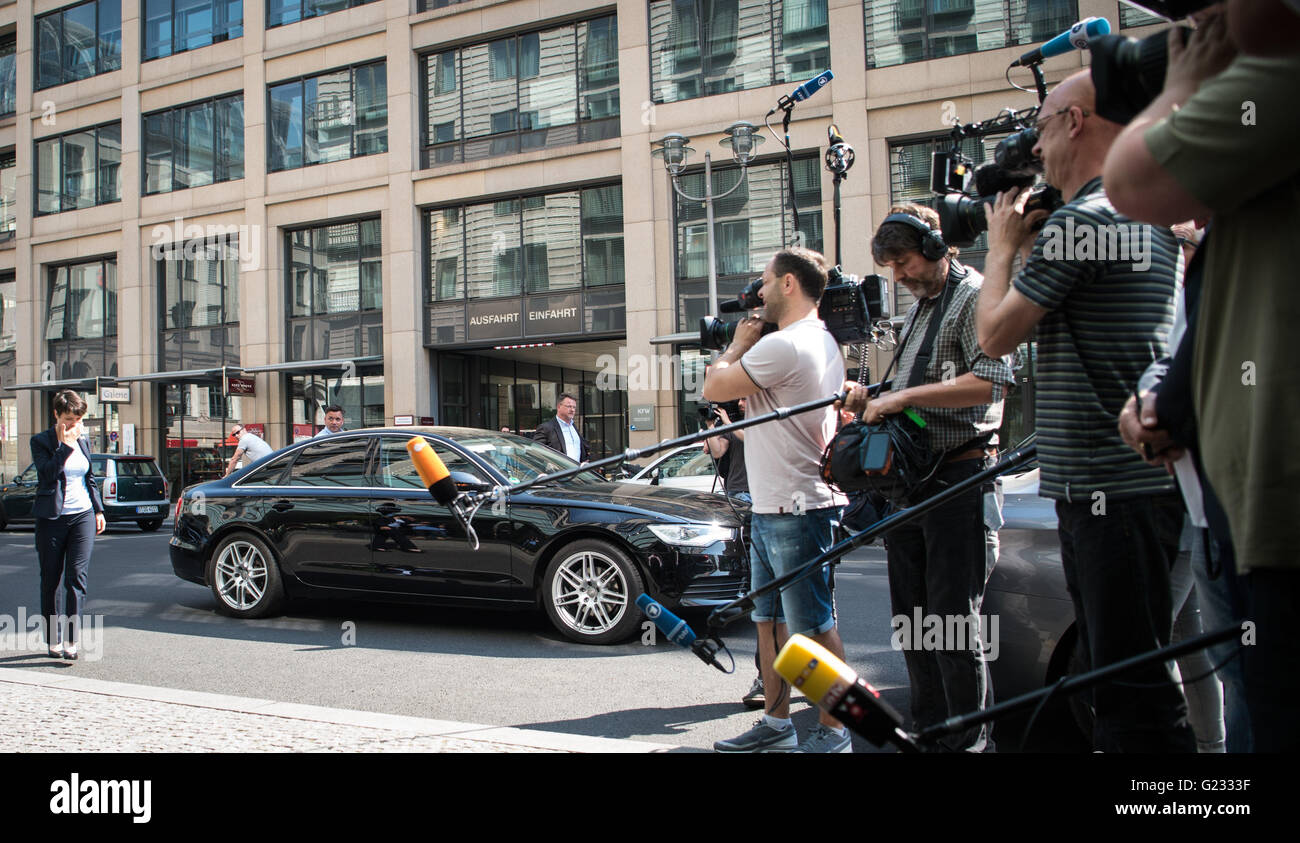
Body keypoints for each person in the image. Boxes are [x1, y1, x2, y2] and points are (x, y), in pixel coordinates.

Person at [1101, 1, 1300, 752]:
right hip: (1226, 511)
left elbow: (1136, 180)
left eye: (1220, 8)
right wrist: (1165, 401)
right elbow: (1218, 323)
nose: (1202, 25)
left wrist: (1183, 82)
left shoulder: (1281, 85)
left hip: (1273, 517)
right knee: (1243, 703)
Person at [976, 68, 1194, 752]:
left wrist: (1003, 247)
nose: (1035, 149)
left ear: (1075, 120)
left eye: (1040, 127)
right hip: (1138, 491)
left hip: (1109, 492)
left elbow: (993, 338)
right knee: (1145, 672)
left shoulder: (1086, 221)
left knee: (1128, 693)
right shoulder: (1140, 214)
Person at [841, 204, 1015, 752]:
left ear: (937, 247)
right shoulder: (923, 305)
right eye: (890, 267)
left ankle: (965, 742)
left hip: (960, 479)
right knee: (912, 618)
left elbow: (992, 382)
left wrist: (905, 396)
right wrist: (875, 395)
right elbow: (909, 386)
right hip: (913, 486)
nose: (899, 276)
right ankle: (927, 731)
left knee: (952, 621)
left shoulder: (975, 295)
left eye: (905, 262)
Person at [702, 247, 849, 753]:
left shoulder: (786, 345)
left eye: (764, 283)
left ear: (789, 284)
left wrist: (737, 345)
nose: (757, 293)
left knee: (813, 628)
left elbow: (714, 385)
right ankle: (777, 722)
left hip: (797, 507)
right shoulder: (821, 340)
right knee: (769, 621)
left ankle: (836, 731)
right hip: (775, 505)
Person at [31, 390, 106, 660]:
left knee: (77, 578)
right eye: (68, 419)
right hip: (52, 518)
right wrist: (64, 446)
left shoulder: (84, 439)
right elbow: (47, 474)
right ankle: (53, 639)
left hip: (82, 516)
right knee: (51, 580)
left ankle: (72, 640)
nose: (73, 424)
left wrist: (98, 509)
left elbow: (90, 478)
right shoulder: (41, 441)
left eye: (77, 419)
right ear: (56, 415)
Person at [703, 398, 750, 504]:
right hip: (735, 488)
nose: (739, 403)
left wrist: (728, 423)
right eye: (739, 400)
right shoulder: (732, 426)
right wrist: (710, 426)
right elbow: (717, 452)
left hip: (753, 490)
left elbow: (751, 440)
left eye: (744, 399)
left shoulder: (762, 422)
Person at [532, 393, 590, 463]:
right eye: (569, 406)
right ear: (559, 407)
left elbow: (583, 451)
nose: (572, 410)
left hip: (577, 472)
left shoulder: (573, 427)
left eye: (574, 407)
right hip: (559, 472)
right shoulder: (546, 428)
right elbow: (535, 454)